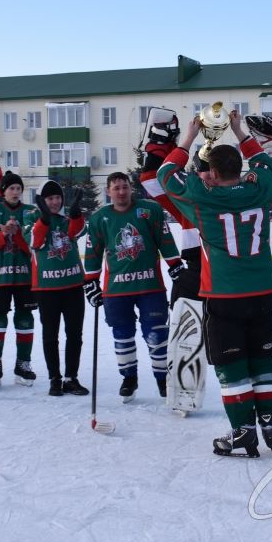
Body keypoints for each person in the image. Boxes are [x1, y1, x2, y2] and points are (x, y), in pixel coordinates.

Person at [156, 110, 272, 457]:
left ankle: (243, 431)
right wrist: (241, 131)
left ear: (211, 172)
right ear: (239, 167)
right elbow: (263, 163)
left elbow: (165, 174)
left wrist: (188, 137)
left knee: (232, 366)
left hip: (225, 294)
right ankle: (270, 423)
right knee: (263, 359)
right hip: (264, 290)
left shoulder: (202, 195)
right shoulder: (259, 186)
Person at [83, 172, 183, 402]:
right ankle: (129, 378)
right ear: (108, 191)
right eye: (116, 188)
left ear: (131, 188)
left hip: (150, 286)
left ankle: (162, 380)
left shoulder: (149, 210)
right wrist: (90, 281)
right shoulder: (100, 218)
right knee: (122, 335)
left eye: (124, 187)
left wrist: (175, 264)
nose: (121, 192)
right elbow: (93, 252)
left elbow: (164, 239)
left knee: (157, 335)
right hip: (116, 291)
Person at [139, 108, 208, 414]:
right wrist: (162, 145)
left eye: (211, 170)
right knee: (183, 327)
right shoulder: (188, 200)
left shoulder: (235, 197)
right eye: (200, 169)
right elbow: (150, 180)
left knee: (229, 339)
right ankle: (182, 392)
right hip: (195, 267)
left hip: (230, 272)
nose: (205, 175)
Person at [26, 179, 89, 397]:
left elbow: (77, 231)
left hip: (72, 285)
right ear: (43, 201)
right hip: (47, 289)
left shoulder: (65, 221)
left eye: (57, 198)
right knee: (50, 335)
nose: (55, 202)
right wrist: (44, 219)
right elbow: (35, 241)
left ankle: (71, 377)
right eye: (50, 198)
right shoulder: (32, 222)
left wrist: (77, 213)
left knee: (74, 334)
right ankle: (55, 378)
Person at [0, 172, 37, 390]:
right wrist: (2, 235)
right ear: (3, 191)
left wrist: (19, 233)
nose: (15, 192)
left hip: (25, 276)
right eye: (11, 188)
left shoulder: (31, 212)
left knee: (25, 319)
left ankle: (23, 364)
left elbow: (36, 241)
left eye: (18, 188)